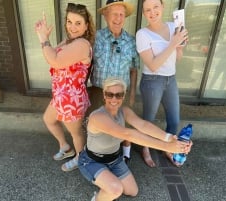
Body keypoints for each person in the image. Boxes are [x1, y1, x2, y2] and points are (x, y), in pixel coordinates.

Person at [78, 77, 192, 201]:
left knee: (132, 191)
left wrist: (170, 139)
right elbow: (127, 134)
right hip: (92, 161)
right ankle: (97, 198)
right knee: (116, 190)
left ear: (124, 95)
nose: (114, 99)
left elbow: (143, 125)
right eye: (110, 94)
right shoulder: (98, 117)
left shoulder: (124, 111)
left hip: (114, 159)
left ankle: (108, 182)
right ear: (104, 95)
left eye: (118, 95)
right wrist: (166, 147)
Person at [34, 3, 95, 171]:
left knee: (76, 134)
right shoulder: (68, 41)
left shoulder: (82, 44)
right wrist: (44, 39)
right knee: (49, 120)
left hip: (72, 99)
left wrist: (43, 39)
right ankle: (65, 148)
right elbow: (51, 53)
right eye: (69, 21)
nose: (72, 27)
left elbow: (56, 60)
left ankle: (79, 158)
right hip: (61, 96)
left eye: (78, 23)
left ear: (86, 26)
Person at [136, 0, 189, 167]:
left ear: (162, 6)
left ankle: (168, 148)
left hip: (170, 79)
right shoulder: (142, 34)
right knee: (148, 120)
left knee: (174, 119)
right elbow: (152, 65)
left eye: (155, 7)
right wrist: (173, 43)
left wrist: (180, 46)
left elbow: (177, 59)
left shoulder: (174, 27)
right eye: (148, 10)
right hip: (152, 81)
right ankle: (145, 149)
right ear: (144, 13)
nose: (152, 13)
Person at [87, 0, 140, 164]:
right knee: (95, 124)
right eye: (114, 14)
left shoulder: (131, 41)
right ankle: (94, 153)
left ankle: (125, 153)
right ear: (106, 15)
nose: (118, 18)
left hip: (121, 93)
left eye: (121, 14)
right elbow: (88, 64)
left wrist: (131, 94)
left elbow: (134, 69)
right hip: (98, 90)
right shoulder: (96, 38)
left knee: (124, 125)